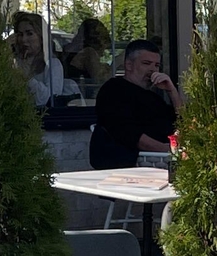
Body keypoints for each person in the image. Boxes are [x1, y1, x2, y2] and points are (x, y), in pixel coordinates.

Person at [89, 38, 182, 169]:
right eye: (146, 63)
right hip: (139, 162)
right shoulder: (114, 90)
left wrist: (171, 90)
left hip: (165, 160)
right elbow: (127, 132)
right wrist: (165, 149)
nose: (152, 70)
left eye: (156, 65)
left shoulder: (154, 97)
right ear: (129, 65)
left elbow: (182, 121)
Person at [11, 10, 67, 108]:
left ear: (41, 37)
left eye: (29, 34)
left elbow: (50, 99)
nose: (24, 39)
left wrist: (28, 79)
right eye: (20, 34)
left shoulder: (53, 64)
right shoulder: (14, 61)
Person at [68, 16, 115, 90]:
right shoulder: (88, 53)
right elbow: (101, 79)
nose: (103, 50)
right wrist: (118, 61)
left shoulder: (75, 52)